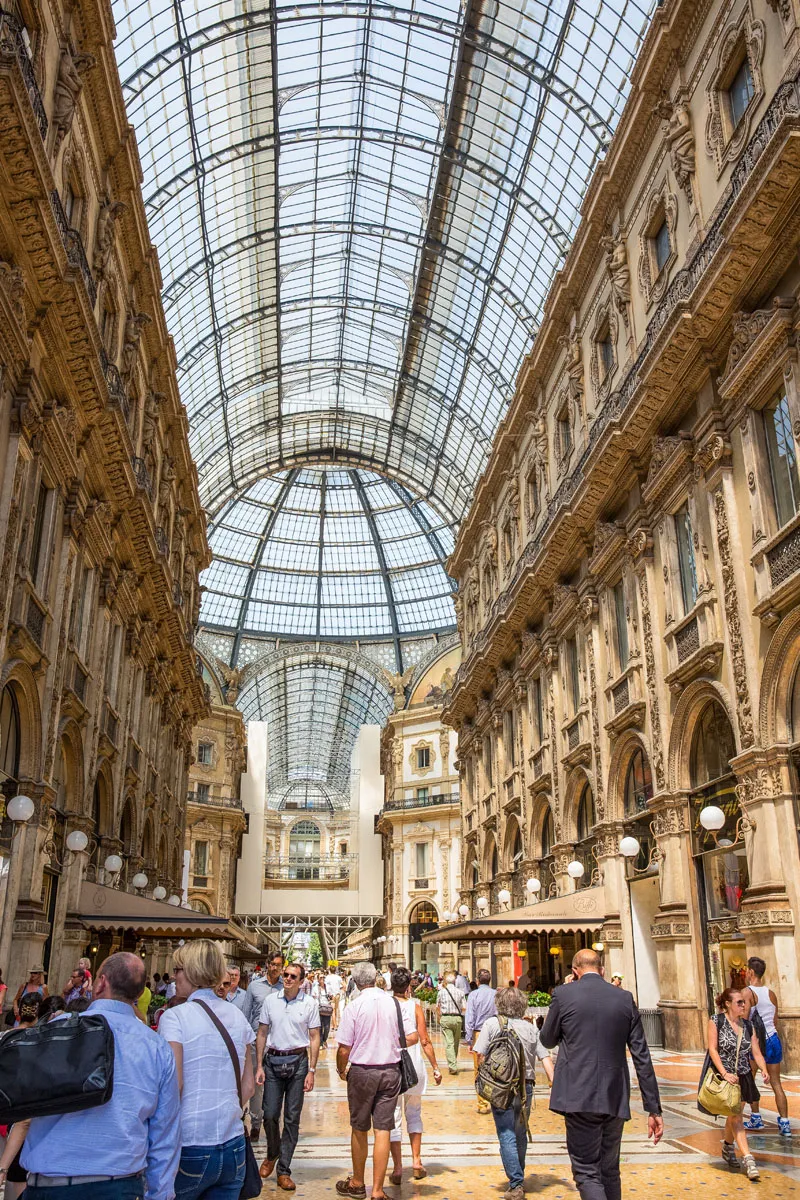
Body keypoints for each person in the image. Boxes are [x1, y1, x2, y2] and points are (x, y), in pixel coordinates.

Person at [14, 952, 180, 1200]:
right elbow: (165, 1134)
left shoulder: (57, 1032)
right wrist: (159, 1194)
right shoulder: (157, 1048)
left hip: (50, 1184)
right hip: (119, 1186)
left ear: (101, 983)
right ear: (138, 993)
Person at [540, 949, 663, 1200]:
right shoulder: (625, 998)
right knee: (609, 1170)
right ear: (603, 970)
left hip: (577, 1095)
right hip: (614, 1096)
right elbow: (642, 1055)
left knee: (587, 1172)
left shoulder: (563, 995)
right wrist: (654, 1108)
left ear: (574, 971)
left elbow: (547, 1039)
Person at [160, 939, 255, 1200]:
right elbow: (248, 1087)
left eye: (177, 970)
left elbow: (173, 1086)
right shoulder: (237, 1016)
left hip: (191, 1144)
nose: (173, 976)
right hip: (233, 1144)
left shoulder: (174, 1018)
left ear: (191, 971)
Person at [475, 986, 555, 1200]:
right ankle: (517, 1176)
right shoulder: (530, 1028)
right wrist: (552, 1080)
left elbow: (479, 1053)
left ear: (499, 1004)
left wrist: (483, 1080)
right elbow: (544, 1056)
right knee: (520, 1132)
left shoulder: (492, 1024)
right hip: (526, 1088)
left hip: (501, 1088)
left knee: (506, 1133)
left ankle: (516, 1183)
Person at [335, 961, 401, 1200]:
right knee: (383, 1130)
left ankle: (357, 1183)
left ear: (356, 980)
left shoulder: (355, 1006)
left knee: (360, 1128)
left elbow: (344, 1048)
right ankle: (377, 1190)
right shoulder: (393, 1002)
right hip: (391, 1071)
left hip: (363, 1072)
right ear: (375, 978)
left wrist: (341, 1070)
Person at [255, 962, 320, 1190]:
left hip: (298, 1063)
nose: (288, 979)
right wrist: (259, 1065)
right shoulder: (270, 1001)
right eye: (286, 975)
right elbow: (262, 1032)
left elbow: (314, 1037)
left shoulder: (309, 1003)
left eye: (293, 976)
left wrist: (312, 1070)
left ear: (301, 981)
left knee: (292, 1118)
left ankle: (284, 1169)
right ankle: (273, 1152)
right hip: (273, 1061)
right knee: (270, 1114)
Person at [703, 987, 769, 1181]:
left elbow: (755, 1051)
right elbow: (712, 1049)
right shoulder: (716, 1021)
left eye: (743, 1002)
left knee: (733, 1115)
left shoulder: (748, 1025)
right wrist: (724, 1073)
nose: (743, 1005)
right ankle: (749, 1160)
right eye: (739, 1002)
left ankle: (727, 1147)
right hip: (725, 1076)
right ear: (727, 1004)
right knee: (737, 1118)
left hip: (743, 1076)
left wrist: (763, 1069)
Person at [388, 967, 441, 1186]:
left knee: (394, 1117)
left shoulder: (385, 1005)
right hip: (414, 1066)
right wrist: (436, 1067)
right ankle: (417, 1162)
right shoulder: (415, 1006)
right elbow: (425, 1039)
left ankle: (398, 1168)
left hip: (392, 1065)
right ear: (409, 985)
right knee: (415, 1113)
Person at [742, 956, 791, 1135]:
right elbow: (774, 1020)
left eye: (747, 970)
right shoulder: (771, 993)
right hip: (773, 1039)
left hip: (757, 1043)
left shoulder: (747, 993)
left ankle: (755, 1117)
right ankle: (785, 1123)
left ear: (751, 972)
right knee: (777, 1083)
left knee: (751, 1080)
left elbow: (745, 1020)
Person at [243, 950, 284, 1142]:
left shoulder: (286, 988)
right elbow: (246, 1013)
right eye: (272, 964)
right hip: (255, 1043)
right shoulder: (254, 987)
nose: (275, 968)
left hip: (277, 1043)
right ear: (267, 964)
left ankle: (271, 1122)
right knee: (256, 1085)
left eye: (278, 964)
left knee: (274, 1084)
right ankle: (256, 1123)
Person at [465, 969, 497, 1114]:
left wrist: (469, 1038)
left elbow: (469, 1017)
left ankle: (483, 1103)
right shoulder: (496, 994)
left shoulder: (473, 995)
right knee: (495, 1066)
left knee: (479, 1068)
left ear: (478, 980)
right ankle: (495, 1099)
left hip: (479, 1033)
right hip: (494, 1032)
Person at [437, 972, 464, 1074]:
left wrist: (439, 1018)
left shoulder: (441, 992)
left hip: (446, 1018)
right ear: (454, 981)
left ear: (445, 981)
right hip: (457, 1018)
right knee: (456, 1042)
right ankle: (453, 1063)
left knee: (449, 1043)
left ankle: (452, 1065)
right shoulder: (460, 992)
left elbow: (437, 1006)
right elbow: (464, 1008)